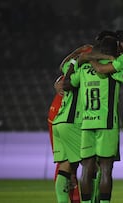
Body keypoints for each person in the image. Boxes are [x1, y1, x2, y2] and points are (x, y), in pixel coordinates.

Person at [64, 36, 123, 203]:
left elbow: (67, 84)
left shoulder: (84, 69)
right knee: (105, 169)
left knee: (87, 169)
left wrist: (76, 63)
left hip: (87, 123)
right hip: (107, 124)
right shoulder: (112, 70)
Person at [48, 44, 92, 203]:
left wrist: (77, 52)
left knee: (65, 166)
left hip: (58, 117)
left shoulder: (71, 68)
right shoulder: (91, 70)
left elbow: (63, 66)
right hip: (76, 121)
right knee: (91, 165)